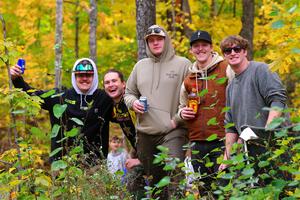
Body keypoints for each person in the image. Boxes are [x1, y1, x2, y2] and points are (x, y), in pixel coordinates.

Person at [124, 24, 191, 197]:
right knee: (155, 182)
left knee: (174, 173)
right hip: (145, 132)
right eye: (151, 40)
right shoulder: (140, 66)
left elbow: (193, 96)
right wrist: (134, 103)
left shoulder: (183, 64)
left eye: (159, 39)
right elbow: (129, 93)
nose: (155, 43)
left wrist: (177, 119)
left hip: (173, 130)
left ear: (166, 40)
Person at [10, 58, 113, 163]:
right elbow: (32, 95)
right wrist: (16, 79)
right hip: (62, 165)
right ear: (74, 76)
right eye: (80, 75)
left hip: (95, 166)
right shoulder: (60, 96)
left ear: (94, 76)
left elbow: (123, 114)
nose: (84, 78)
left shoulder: (105, 98)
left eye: (88, 75)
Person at [218, 35, 287, 172]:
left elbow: (278, 100)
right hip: (248, 153)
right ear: (224, 56)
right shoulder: (230, 88)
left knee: (280, 191)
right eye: (228, 50)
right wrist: (227, 158)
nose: (232, 53)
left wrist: (266, 135)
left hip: (274, 145)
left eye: (237, 49)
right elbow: (231, 127)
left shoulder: (261, 70)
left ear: (245, 52)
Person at [178, 30, 233, 194]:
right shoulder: (189, 78)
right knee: (203, 191)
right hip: (197, 143)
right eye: (196, 46)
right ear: (191, 50)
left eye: (204, 45)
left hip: (222, 139)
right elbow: (181, 106)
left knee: (224, 190)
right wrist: (182, 113)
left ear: (211, 47)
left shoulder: (226, 68)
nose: (200, 49)